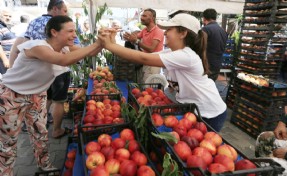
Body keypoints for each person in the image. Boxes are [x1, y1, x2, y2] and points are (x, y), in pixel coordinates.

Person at [0, 15, 102, 175]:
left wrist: (105, 41)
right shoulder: (37, 46)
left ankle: (44, 165)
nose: (74, 35)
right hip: (12, 95)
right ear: (54, 32)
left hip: (37, 95)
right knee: (8, 142)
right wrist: (98, 43)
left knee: (40, 133)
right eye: (70, 31)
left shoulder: (65, 48)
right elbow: (63, 60)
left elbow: (89, 52)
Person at [99, 13, 227, 132]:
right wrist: (113, 43)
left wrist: (109, 45)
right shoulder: (171, 52)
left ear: (182, 33)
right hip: (192, 109)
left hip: (210, 113)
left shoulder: (187, 56)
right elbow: (140, 56)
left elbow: (143, 58)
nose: (165, 33)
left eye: (169, 29)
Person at [10, 0, 73, 138]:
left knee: (46, 98)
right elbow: (71, 51)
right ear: (55, 9)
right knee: (59, 100)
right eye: (64, 10)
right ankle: (56, 130)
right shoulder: (62, 24)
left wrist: (14, 63)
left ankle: (39, 124)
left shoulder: (34, 22)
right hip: (57, 67)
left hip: (38, 71)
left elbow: (22, 41)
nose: (65, 13)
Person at [123, 8, 164, 83]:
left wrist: (136, 41)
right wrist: (129, 37)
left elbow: (151, 49)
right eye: (142, 16)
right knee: (145, 84)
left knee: (151, 86)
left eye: (144, 16)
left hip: (154, 64)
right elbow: (136, 37)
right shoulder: (145, 30)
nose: (141, 18)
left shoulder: (158, 31)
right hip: (146, 61)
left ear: (152, 18)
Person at [202, 8, 228, 81]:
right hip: (217, 64)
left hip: (206, 65)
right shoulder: (223, 31)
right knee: (211, 86)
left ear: (204, 18)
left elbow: (199, 46)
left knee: (202, 88)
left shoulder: (205, 29)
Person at [0, 8, 16, 74]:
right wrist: (5, 60)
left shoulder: (5, 27)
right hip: (6, 60)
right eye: (5, 15)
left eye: (10, 16)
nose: (8, 18)